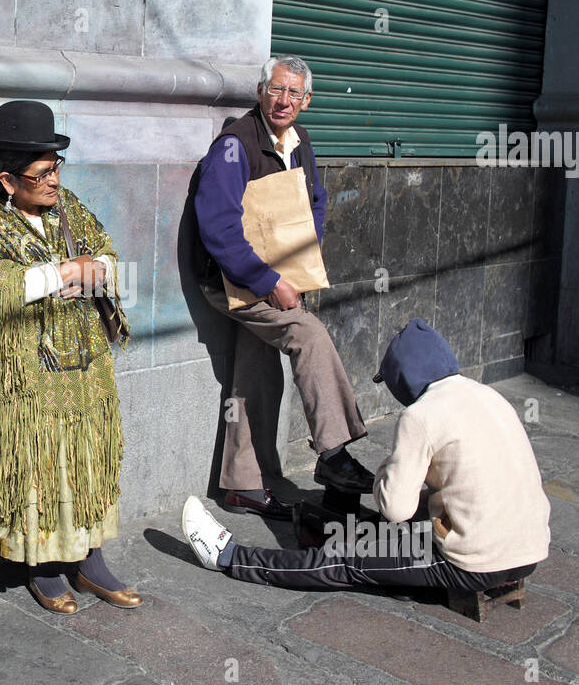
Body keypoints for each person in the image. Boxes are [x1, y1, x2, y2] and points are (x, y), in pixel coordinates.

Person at [0, 100, 139, 614]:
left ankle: (89, 561)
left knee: (86, 458)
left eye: (57, 167)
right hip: (22, 369)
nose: (53, 181)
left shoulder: (70, 208)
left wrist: (99, 268)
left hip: (83, 361)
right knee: (39, 462)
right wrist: (66, 274)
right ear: (7, 179)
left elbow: (108, 256)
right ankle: (42, 567)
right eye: (42, 173)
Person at [181, 318, 550, 595]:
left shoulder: (421, 416)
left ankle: (228, 557)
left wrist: (390, 467)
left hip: (472, 563)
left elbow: (395, 510)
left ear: (402, 378)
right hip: (529, 553)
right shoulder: (488, 395)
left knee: (346, 558)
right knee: (393, 529)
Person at [191, 54, 371, 520]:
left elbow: (315, 201)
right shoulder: (234, 146)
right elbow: (218, 227)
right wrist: (270, 281)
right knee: (307, 334)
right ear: (259, 92)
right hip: (231, 279)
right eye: (276, 89)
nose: (283, 100)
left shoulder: (299, 140)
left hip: (275, 275)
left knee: (255, 372)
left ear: (306, 101)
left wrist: (302, 259)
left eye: (294, 93)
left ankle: (243, 485)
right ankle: (335, 452)